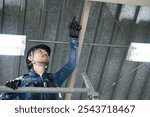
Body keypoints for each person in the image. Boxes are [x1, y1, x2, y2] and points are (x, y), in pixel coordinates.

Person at [0, 16, 82, 100]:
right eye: (40, 50)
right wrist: (7, 92)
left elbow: (71, 65)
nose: (45, 53)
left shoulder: (55, 78)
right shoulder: (21, 81)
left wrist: (73, 39)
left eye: (46, 53)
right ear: (30, 57)